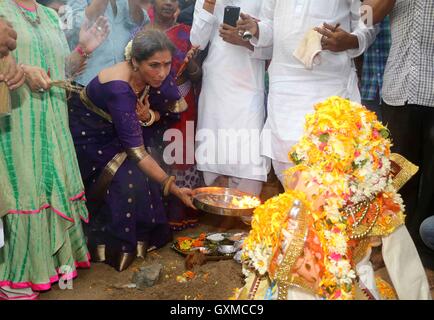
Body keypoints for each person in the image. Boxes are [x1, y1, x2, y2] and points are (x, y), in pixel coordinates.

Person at [237, 97, 431, 300]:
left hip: (354, 283)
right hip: (299, 289)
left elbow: (403, 260)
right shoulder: (305, 191)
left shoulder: (378, 197)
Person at [0, 0, 107, 300]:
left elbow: (58, 71)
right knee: (22, 188)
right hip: (14, 122)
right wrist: (21, 70)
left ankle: (50, 267)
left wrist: (83, 50)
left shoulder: (48, 14)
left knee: (46, 185)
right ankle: (15, 275)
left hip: (52, 119)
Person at [69, 29, 196, 272]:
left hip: (125, 134)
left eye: (167, 64)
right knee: (128, 178)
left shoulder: (156, 72)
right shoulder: (119, 88)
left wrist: (150, 115)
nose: (162, 72)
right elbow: (137, 152)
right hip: (92, 141)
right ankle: (115, 248)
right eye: (154, 65)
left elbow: (175, 108)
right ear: (134, 61)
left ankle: (145, 242)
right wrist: (174, 188)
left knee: (145, 171)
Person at [237, 0, 376, 186]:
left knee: (329, 181)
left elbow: (369, 19)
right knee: (289, 177)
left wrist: (352, 40)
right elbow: (270, 25)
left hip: (330, 93)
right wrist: (257, 29)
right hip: (284, 92)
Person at [364, 0, 434, 269]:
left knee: (431, 184)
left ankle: (422, 256)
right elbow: (366, 17)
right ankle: (395, 251)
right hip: (398, 87)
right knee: (398, 180)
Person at [190, 0, 270, 198]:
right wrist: (209, 3)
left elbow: (275, 44)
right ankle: (219, 210)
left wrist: (244, 39)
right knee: (215, 150)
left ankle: (246, 214)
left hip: (249, 85)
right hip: (217, 83)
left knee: (249, 154)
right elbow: (197, 41)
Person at [142, 0, 202, 231]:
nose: (168, 2)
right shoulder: (141, 32)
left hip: (182, 102)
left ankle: (180, 213)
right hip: (149, 104)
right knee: (155, 154)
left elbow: (198, 75)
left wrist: (192, 65)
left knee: (180, 155)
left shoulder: (189, 33)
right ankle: (156, 216)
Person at [360, 16, 391, 120]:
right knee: (369, 132)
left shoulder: (397, 10)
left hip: (394, 90)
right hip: (368, 87)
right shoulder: (366, 10)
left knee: (394, 134)